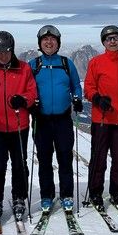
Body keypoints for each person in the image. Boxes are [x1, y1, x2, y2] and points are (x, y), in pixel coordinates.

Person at [0, 31, 38, 223]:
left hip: (19, 125)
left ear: (12, 50)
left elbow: (32, 93)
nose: (3, 55)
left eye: (7, 51)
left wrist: (23, 100)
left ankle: (19, 197)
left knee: (19, 163)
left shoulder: (24, 68)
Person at [30, 25, 83, 213]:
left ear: (58, 43)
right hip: (41, 119)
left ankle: (67, 194)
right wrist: (31, 103)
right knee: (44, 159)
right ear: (40, 43)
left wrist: (77, 98)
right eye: (45, 39)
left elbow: (76, 86)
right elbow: (26, 88)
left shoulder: (66, 64)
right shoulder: (33, 65)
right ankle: (47, 195)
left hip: (63, 119)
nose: (49, 42)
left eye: (52, 39)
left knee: (65, 158)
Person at [83, 25, 118, 210]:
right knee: (99, 158)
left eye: (115, 38)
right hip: (101, 119)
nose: (112, 41)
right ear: (104, 42)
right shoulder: (96, 62)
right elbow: (88, 87)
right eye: (108, 39)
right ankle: (95, 192)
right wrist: (97, 98)